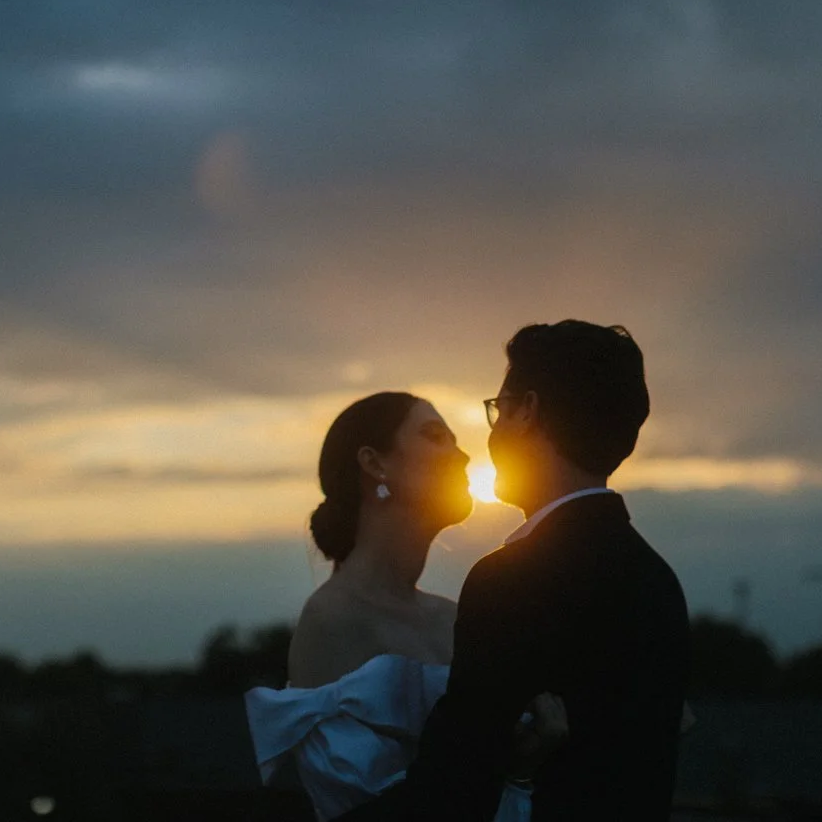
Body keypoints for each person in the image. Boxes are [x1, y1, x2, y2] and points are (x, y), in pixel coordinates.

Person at [338, 321, 690, 821]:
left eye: (498, 410)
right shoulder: (658, 581)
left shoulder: (512, 582)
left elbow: (452, 787)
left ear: (527, 410)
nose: (494, 429)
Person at [245, 392, 568, 821]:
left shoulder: (454, 617)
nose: (464, 455)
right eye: (435, 437)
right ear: (375, 464)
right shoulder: (333, 620)